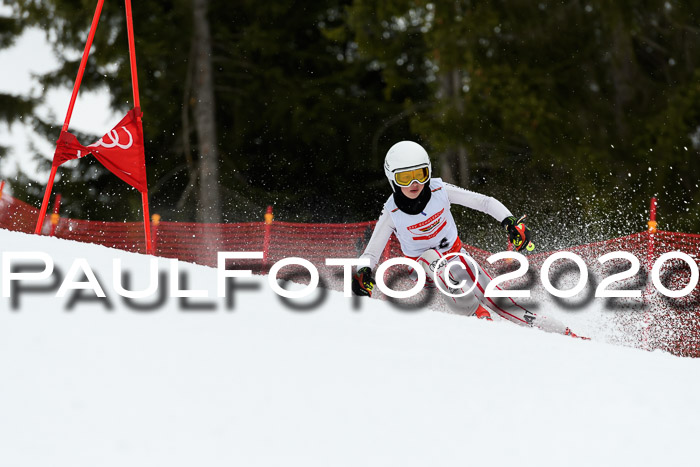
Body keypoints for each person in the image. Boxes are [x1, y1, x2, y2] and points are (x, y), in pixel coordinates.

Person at [351, 140, 585, 338]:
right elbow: (370, 254)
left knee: (503, 303)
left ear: (428, 172)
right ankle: (477, 317)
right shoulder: (392, 211)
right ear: (392, 178)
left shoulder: (439, 190)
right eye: (405, 178)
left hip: (457, 261)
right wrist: (363, 273)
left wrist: (510, 222)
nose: (414, 184)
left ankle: (565, 335)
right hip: (423, 270)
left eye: (419, 174)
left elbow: (484, 202)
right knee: (433, 258)